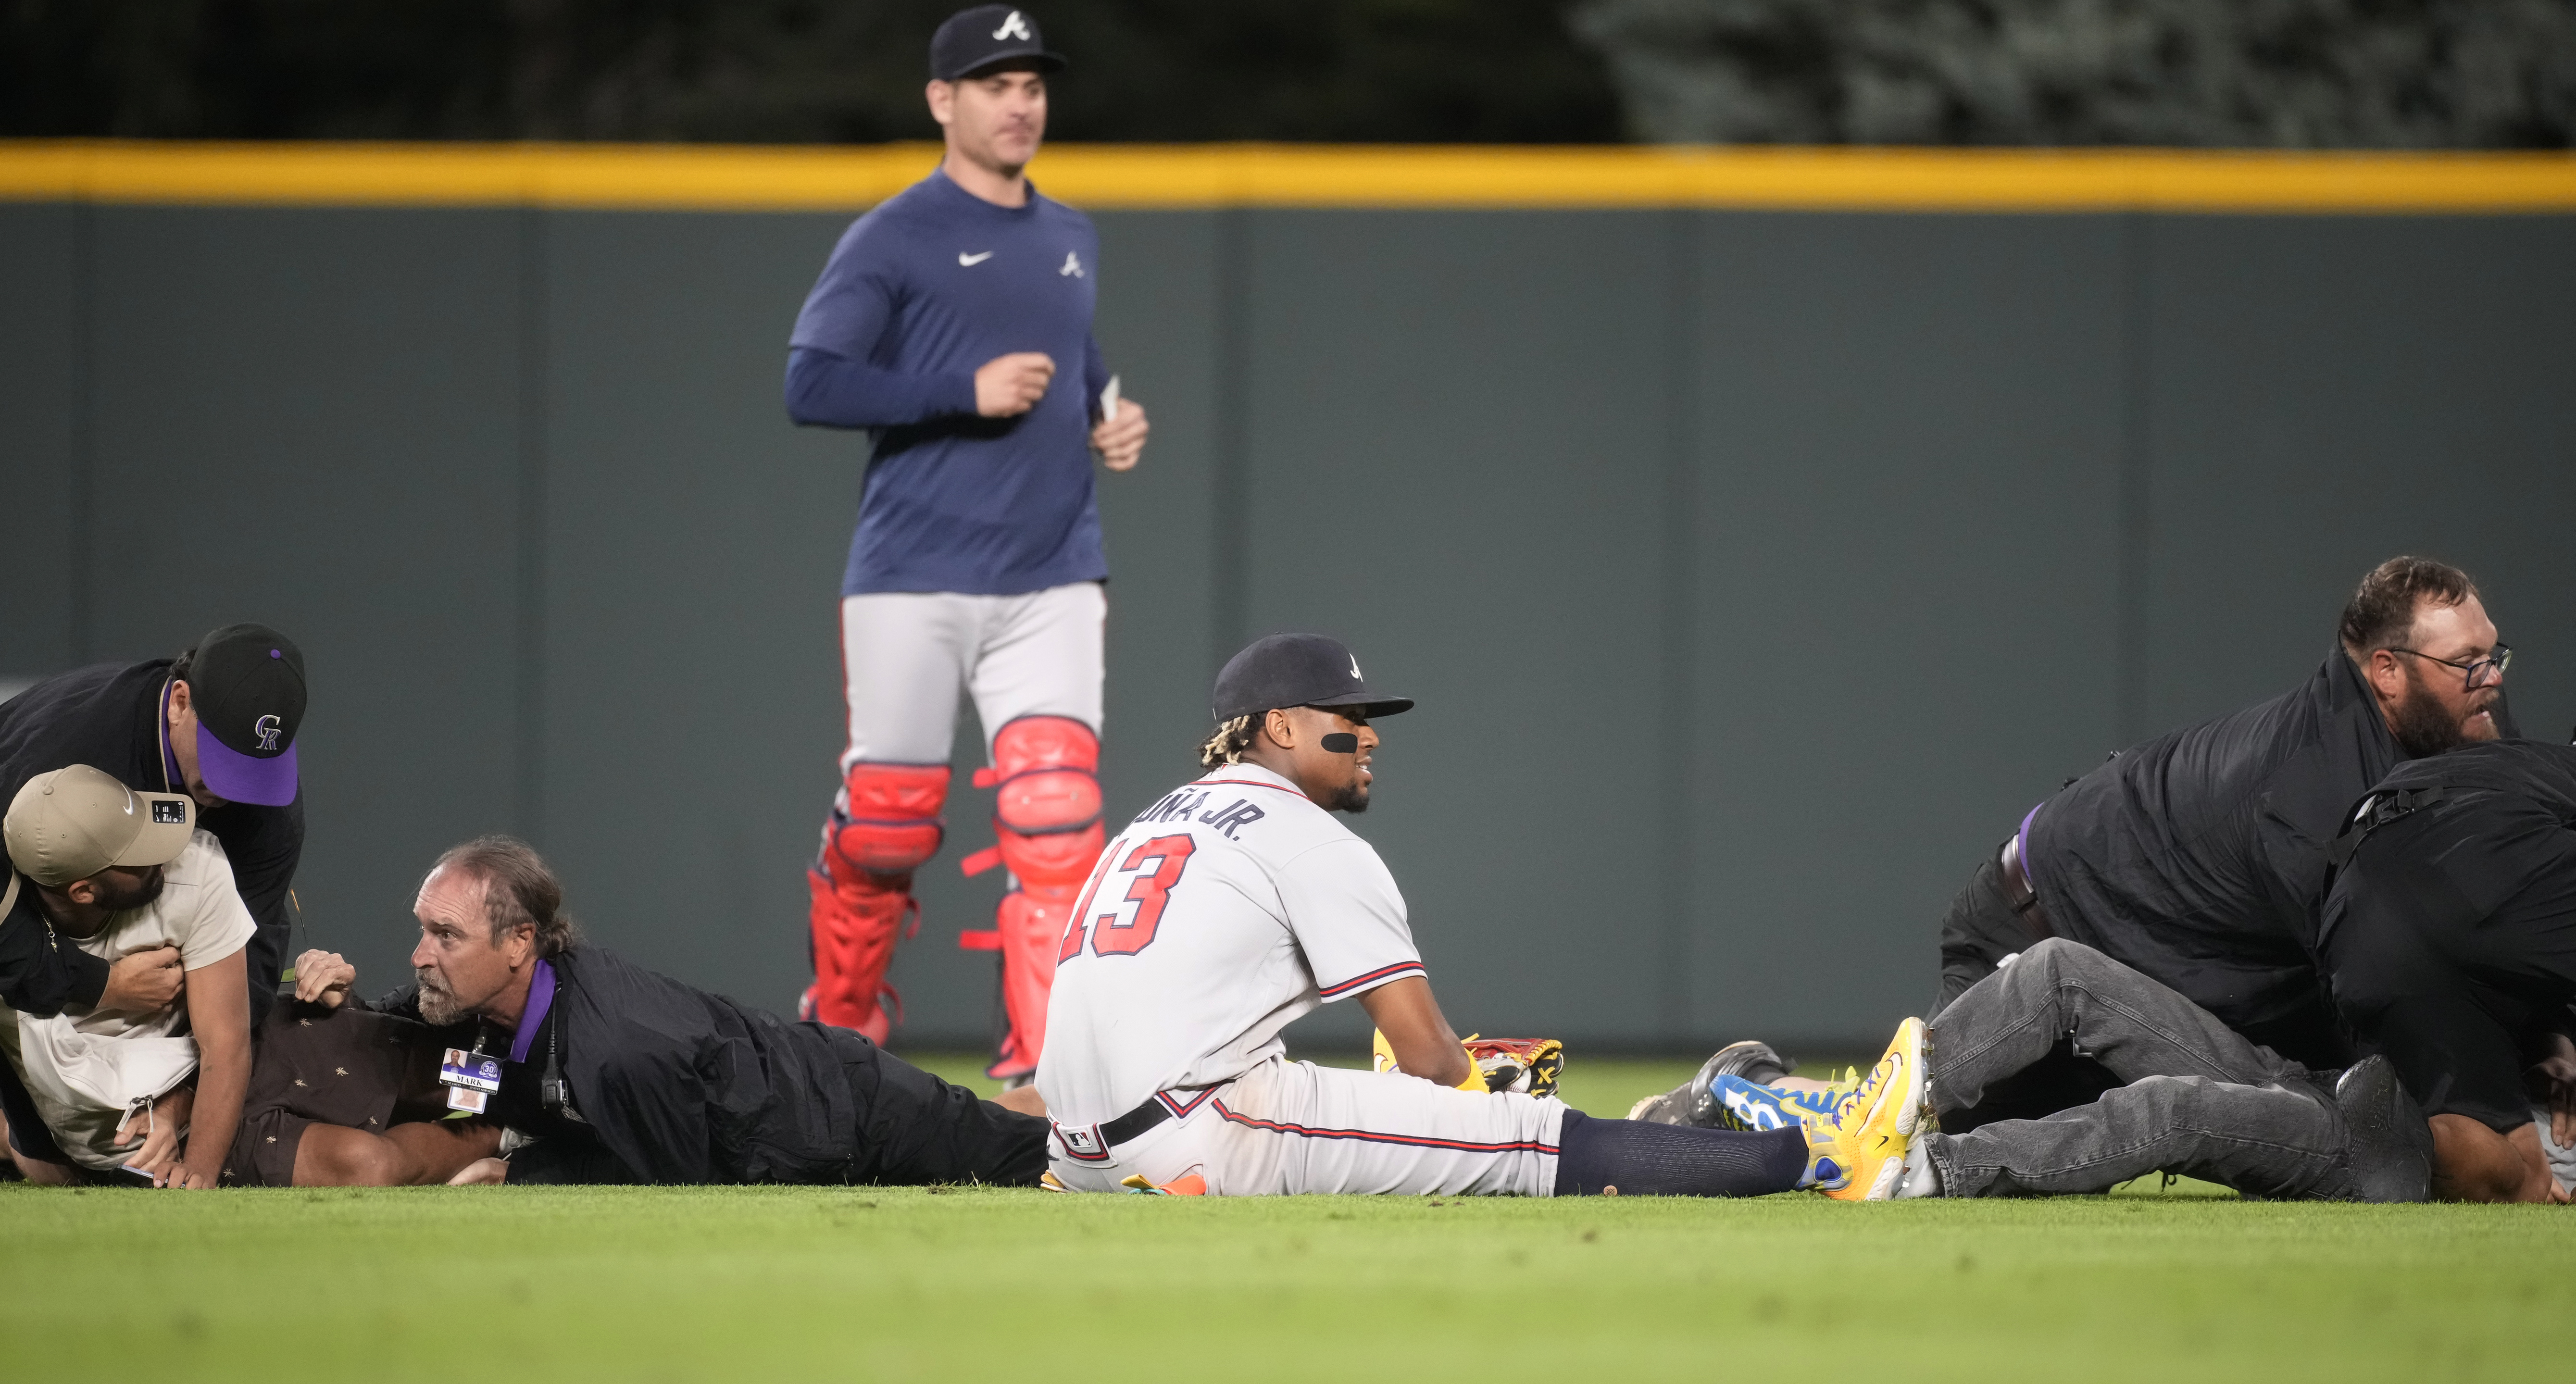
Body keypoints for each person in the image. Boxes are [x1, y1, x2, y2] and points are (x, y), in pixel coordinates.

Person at [1035, 633, 1912, 1200]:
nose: (1370, 733)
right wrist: (1481, 1104)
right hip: (1196, 1135)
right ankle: (1828, 1154)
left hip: (1072, 1148)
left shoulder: (1158, 816)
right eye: (1350, 716)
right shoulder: (1305, 837)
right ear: (1281, 726)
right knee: (1525, 1137)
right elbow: (1426, 1054)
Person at [781, 4, 1148, 1083]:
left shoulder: (1070, 232)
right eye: (996, 83)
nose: (1021, 101)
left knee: (1058, 822)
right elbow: (810, 381)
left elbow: (1077, 362)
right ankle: (842, 1030)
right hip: (912, 577)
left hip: (1051, 574)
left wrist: (1110, 413)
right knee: (888, 827)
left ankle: (1047, 1078)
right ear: (943, 100)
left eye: (1033, 82)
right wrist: (961, 391)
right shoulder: (893, 233)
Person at [1936, 556, 2509, 1074]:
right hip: (2035, 928)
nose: (2493, 677)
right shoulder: (2314, 794)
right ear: (2387, 671)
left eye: (2492, 655)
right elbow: (2384, 996)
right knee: (1913, 1138)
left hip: (2154, 959)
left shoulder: (2451, 717)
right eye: (2467, 662)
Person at [291, 835, 1050, 1187]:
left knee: (1040, 1161)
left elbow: (674, 1177)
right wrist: (338, 996)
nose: (420, 953)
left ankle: (1154, 1130)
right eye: (423, 930)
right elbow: (391, 1031)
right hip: (791, 1094)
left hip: (840, 1117)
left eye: (444, 934)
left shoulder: (615, 1048)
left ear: (520, 941)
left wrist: (517, 1171)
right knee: (986, 1121)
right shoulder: (472, 1000)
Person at [1663, 938, 2436, 1202]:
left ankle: (1913, 1171)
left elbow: (2519, 1163)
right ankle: (1799, 1104)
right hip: (2312, 1075)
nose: (2489, 677)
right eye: (2468, 662)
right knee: (2059, 967)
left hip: (2366, 1151)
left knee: (2163, 1107)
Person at [0, 622, 308, 1025]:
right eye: (225, 760)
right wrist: (100, 985)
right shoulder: (67, 758)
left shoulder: (269, 801)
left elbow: (254, 948)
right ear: (180, 702)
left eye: (253, 769)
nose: (235, 789)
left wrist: (190, 1063)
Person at [2318, 738, 2576, 1203]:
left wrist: (2557, 1039)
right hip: (2480, 840)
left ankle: (2404, 1138)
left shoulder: (2516, 757)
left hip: (2358, 913)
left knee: (2523, 1183)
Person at [0, 766, 250, 1188]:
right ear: (83, 891)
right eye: (134, 854)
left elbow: (228, 1042)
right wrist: (109, 985)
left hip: (172, 1087)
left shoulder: (198, 867)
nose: (163, 853)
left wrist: (200, 1170)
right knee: (52, 1172)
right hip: (53, 1106)